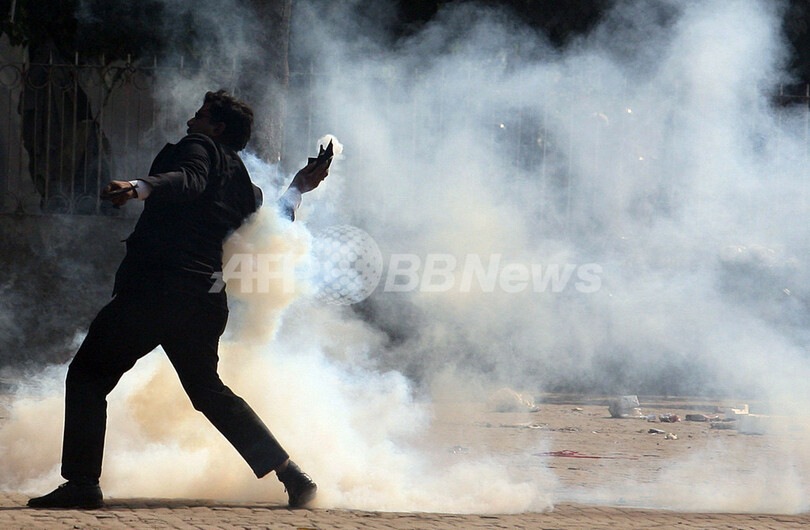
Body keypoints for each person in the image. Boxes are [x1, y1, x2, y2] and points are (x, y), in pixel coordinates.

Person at [28, 90, 328, 510]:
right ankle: (291, 476)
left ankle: (81, 483)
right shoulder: (242, 183)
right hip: (204, 297)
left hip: (158, 289)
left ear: (216, 128)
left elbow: (189, 179)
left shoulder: (199, 147)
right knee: (208, 391)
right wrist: (298, 187)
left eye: (200, 116)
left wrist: (138, 187)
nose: (191, 122)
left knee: (88, 376)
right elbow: (271, 221)